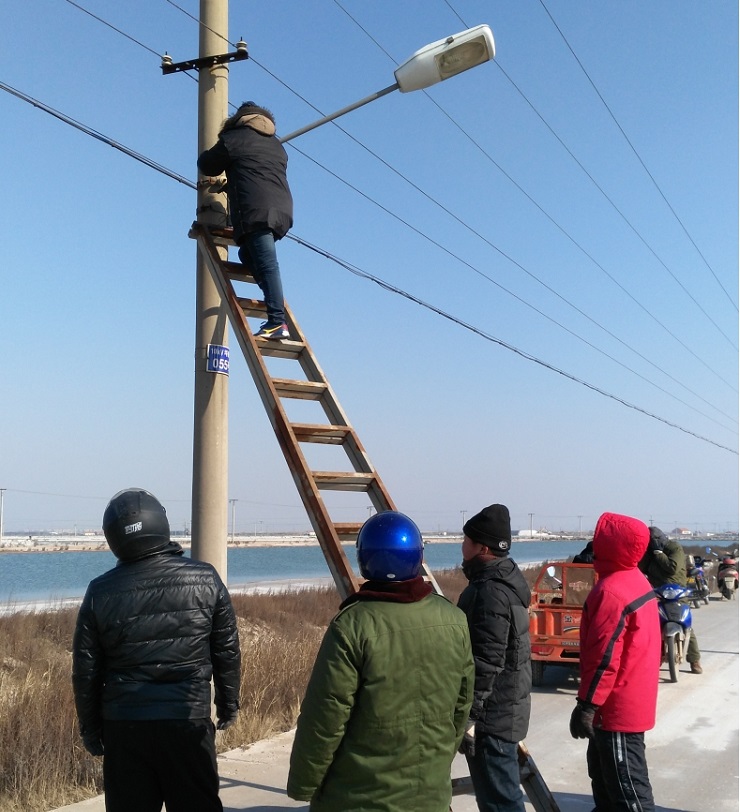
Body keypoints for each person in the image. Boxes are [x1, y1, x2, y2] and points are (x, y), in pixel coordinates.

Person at [287, 511, 474, 812]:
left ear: (365, 558)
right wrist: (437, 762)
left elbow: (325, 717)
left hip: (358, 799)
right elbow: (461, 705)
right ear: (417, 556)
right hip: (430, 796)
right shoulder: (453, 619)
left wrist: (303, 783)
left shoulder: (351, 625)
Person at [72, 488, 241, 812]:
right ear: (160, 524)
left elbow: (86, 672)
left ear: (113, 536)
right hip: (187, 721)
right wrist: (228, 704)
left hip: (125, 728)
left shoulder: (100, 591)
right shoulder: (205, 579)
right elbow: (227, 651)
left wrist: (91, 730)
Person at [569, 511, 660, 812]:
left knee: (629, 796)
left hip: (616, 710)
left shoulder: (611, 592)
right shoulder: (636, 580)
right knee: (608, 791)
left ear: (611, 545)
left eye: (600, 538)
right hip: (628, 700)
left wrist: (587, 705)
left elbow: (603, 657)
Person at [457, 503, 532, 812]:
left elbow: (487, 660)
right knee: (499, 798)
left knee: (500, 802)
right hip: (504, 710)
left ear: (483, 548)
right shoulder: (506, 581)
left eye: (467, 540)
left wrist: (470, 716)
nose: (462, 546)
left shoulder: (490, 592)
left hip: (493, 717)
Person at [198, 101, 293, 340]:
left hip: (256, 211)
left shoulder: (235, 138)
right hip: (282, 210)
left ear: (239, 119)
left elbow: (207, 164)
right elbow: (255, 173)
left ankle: (277, 321)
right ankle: (273, 304)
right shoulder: (276, 145)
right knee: (249, 256)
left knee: (268, 265)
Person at [639, 525, 702, 674]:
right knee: (652, 624)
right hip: (658, 592)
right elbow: (641, 568)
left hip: (677, 591)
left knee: (685, 622)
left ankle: (694, 659)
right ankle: (655, 656)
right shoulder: (649, 553)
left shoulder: (674, 548)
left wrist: (658, 553)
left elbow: (672, 567)